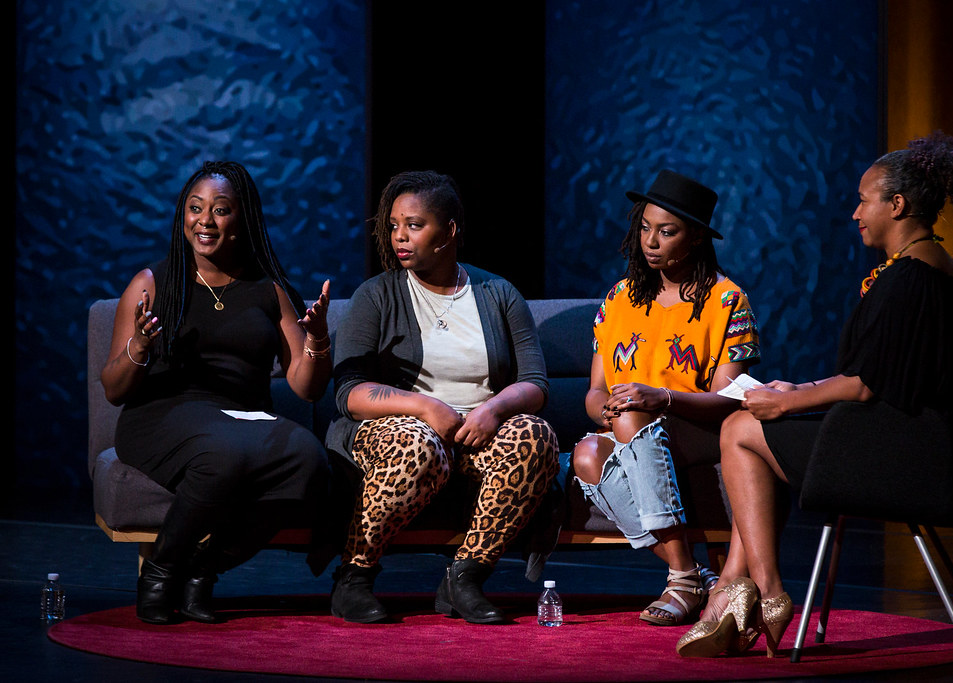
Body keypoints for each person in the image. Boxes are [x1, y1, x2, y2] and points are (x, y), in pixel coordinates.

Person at [676, 131, 953, 658]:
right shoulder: (933, 268)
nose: (855, 211)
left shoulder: (911, 279)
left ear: (897, 204)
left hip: (905, 455)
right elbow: (879, 371)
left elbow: (866, 384)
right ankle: (735, 586)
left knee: (740, 429)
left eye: (864, 199)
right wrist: (800, 389)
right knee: (747, 429)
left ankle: (761, 589)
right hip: (909, 439)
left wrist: (787, 403)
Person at [101, 161, 333, 624]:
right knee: (222, 454)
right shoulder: (152, 283)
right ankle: (160, 574)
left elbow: (305, 388)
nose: (204, 221)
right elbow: (113, 388)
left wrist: (319, 339)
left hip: (242, 420)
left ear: (242, 217)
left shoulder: (268, 289)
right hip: (162, 417)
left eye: (220, 210)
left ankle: (202, 570)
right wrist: (140, 347)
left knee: (309, 460)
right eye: (194, 208)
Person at [325, 170, 560, 624]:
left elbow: (536, 382)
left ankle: (464, 577)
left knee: (536, 436)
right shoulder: (377, 294)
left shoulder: (497, 293)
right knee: (419, 444)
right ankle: (353, 577)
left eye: (414, 225)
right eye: (394, 225)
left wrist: (494, 409)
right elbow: (349, 392)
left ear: (448, 230)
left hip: (477, 434)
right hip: (396, 432)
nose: (399, 237)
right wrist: (426, 407)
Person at [570, 170, 761, 626]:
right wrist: (606, 409)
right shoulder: (618, 299)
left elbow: (730, 398)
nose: (651, 241)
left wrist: (661, 399)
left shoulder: (728, 301)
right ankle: (689, 574)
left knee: (633, 415)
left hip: (697, 429)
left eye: (667, 231)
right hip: (627, 425)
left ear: (695, 237)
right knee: (584, 457)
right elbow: (595, 391)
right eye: (644, 228)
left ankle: (680, 583)